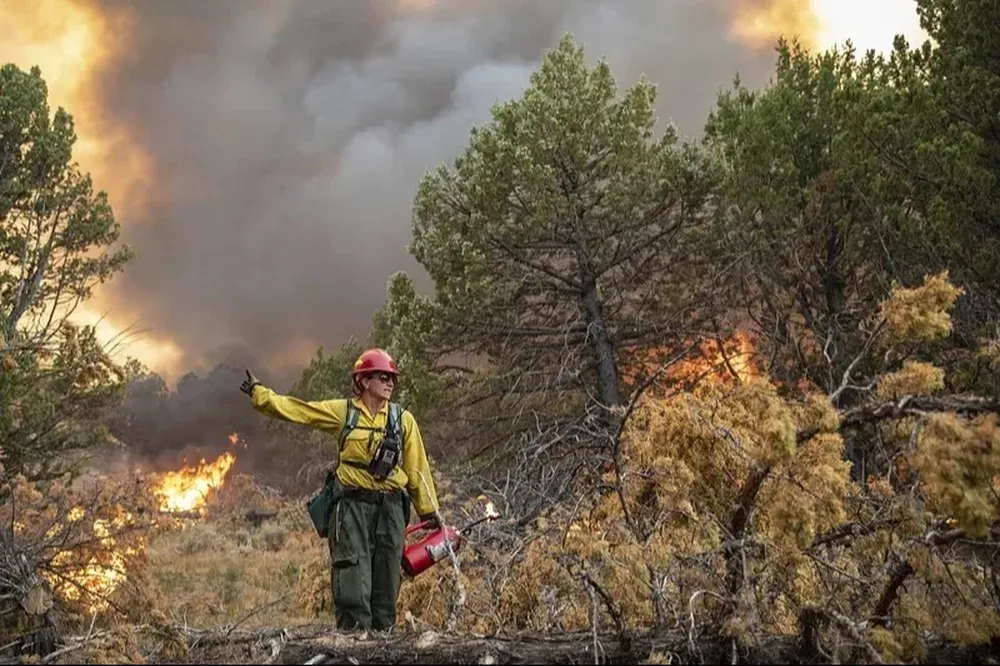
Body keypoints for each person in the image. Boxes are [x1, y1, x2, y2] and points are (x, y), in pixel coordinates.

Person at [239, 348, 442, 631]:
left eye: (393, 378)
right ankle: (352, 647)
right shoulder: (344, 412)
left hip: (391, 512)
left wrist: (429, 511)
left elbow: (417, 468)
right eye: (383, 377)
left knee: (386, 588)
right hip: (351, 510)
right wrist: (261, 395)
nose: (390, 383)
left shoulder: (403, 419)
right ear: (364, 381)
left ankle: (384, 646)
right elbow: (302, 411)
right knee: (352, 587)